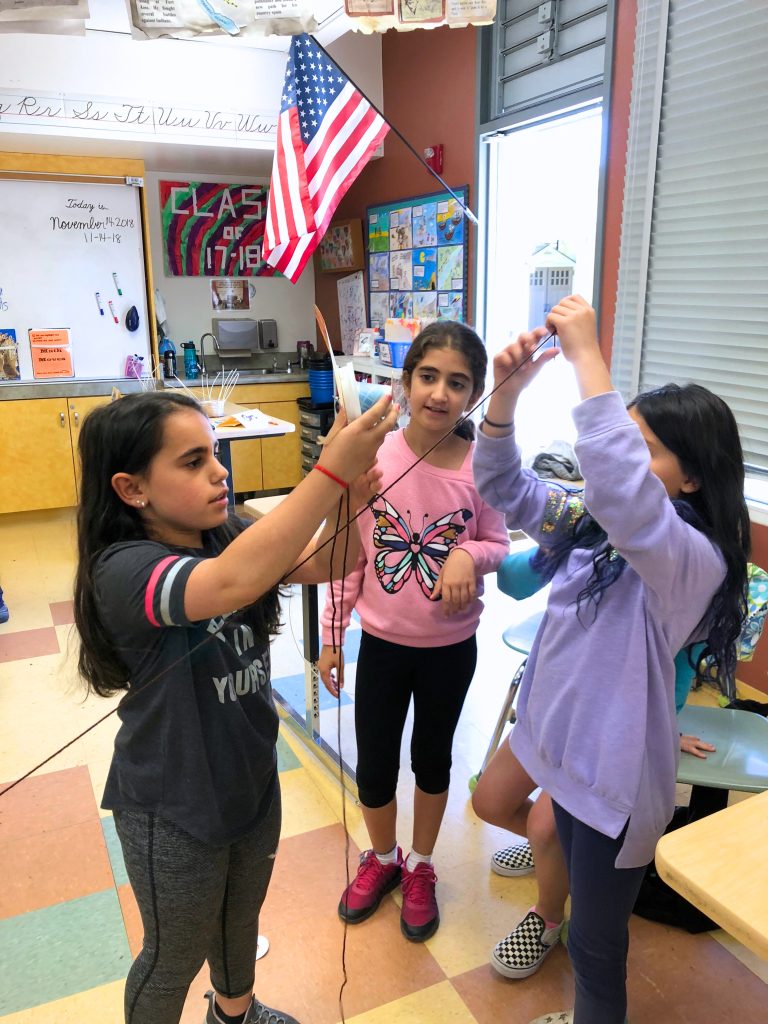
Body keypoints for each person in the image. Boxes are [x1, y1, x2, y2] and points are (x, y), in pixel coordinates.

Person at [73, 389, 398, 1024]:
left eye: (215, 453)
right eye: (192, 462)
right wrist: (327, 473)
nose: (219, 470)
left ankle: (235, 1012)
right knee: (172, 955)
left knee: (238, 921)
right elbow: (232, 582)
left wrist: (353, 498)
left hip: (248, 777)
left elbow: (334, 560)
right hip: (174, 803)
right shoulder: (126, 568)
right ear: (132, 488)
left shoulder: (225, 533)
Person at [473, 295, 749, 1024]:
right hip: (559, 745)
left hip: (612, 785)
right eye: (624, 442)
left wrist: (587, 358)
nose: (619, 460)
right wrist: (502, 405)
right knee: (511, 816)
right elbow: (505, 487)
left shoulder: (693, 559)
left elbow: (625, 492)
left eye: (644, 448)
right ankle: (551, 898)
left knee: (597, 953)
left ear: (693, 478)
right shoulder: (595, 523)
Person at [317, 321, 509, 942]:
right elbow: (350, 554)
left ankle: (422, 864)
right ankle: (383, 858)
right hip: (382, 647)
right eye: (428, 377)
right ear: (404, 384)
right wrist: (331, 634)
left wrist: (468, 556)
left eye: (458, 383)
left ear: (475, 393)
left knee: (432, 759)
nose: (440, 393)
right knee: (374, 763)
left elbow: (498, 544)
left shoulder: (486, 470)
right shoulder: (372, 457)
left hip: (450, 651)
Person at [476, 546, 719, 982]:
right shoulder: (592, 524)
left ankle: (548, 915)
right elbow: (513, 581)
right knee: (490, 801)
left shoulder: (681, 551)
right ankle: (559, 856)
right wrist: (563, 535)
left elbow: (677, 667)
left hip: (599, 736)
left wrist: (662, 728)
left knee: (545, 826)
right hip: (552, 712)